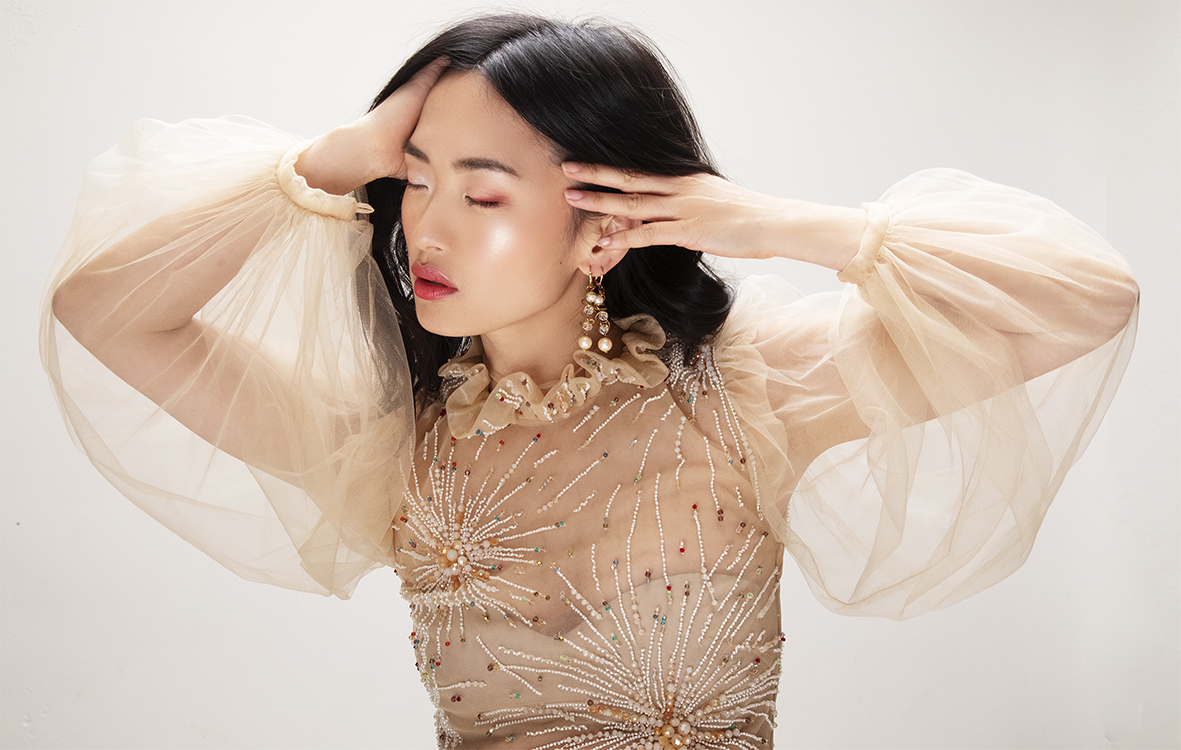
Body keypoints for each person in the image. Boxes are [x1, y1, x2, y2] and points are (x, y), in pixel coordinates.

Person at [41, 13, 1138, 749]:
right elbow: (104, 311)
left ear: (604, 225)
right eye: (412, 180)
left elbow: (1088, 300)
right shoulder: (395, 442)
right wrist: (327, 163)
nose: (423, 226)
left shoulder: (745, 390)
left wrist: (775, 222)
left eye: (480, 195)